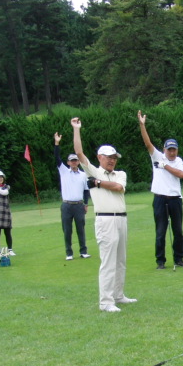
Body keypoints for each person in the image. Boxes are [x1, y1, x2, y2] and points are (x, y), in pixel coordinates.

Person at [71, 117, 137, 313]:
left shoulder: (120, 174)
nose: (112, 160)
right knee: (108, 261)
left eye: (114, 157)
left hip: (121, 218)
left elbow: (118, 187)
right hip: (105, 219)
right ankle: (106, 301)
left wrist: (98, 183)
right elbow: (79, 153)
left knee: (121, 260)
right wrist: (76, 129)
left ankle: (118, 295)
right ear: (100, 157)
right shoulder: (93, 171)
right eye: (109, 157)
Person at [138, 110, 183, 269]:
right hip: (160, 199)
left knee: (178, 231)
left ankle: (179, 258)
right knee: (160, 232)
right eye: (169, 150)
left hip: (175, 199)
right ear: (164, 149)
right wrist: (142, 125)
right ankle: (160, 261)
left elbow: (181, 174)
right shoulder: (157, 156)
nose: (172, 152)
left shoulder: (177, 161)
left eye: (174, 149)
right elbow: (147, 143)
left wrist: (165, 166)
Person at [54, 132, 91, 260]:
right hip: (66, 205)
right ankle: (69, 253)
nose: (74, 162)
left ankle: (83, 251)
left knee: (81, 229)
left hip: (79, 205)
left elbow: (86, 191)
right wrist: (57, 143)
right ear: (68, 162)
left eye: (76, 160)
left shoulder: (83, 174)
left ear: (78, 162)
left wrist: (86, 204)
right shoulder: (64, 171)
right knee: (67, 230)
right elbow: (57, 158)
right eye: (72, 161)